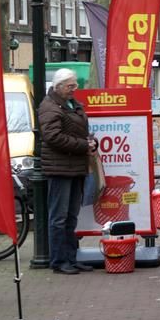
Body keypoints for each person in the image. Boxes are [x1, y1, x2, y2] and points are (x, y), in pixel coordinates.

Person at [39, 68, 98, 275]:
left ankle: (71, 258)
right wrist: (83, 145)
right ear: (59, 87)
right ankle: (59, 260)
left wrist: (91, 142)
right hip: (60, 169)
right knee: (59, 217)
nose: (75, 89)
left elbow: (79, 130)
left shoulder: (71, 104)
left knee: (71, 216)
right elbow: (52, 137)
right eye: (71, 86)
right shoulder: (50, 107)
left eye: (75, 85)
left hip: (75, 167)